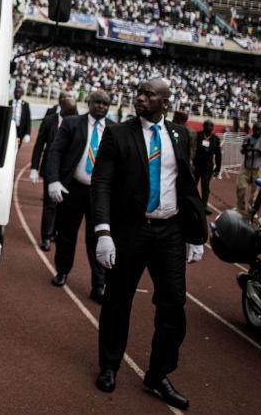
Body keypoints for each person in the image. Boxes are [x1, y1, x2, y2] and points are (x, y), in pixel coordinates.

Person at [91, 78, 208, 410]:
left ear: (165, 102)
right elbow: (101, 183)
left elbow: (186, 185)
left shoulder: (180, 135)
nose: (139, 98)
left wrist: (196, 234)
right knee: (118, 301)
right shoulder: (118, 133)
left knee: (173, 304)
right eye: (139, 93)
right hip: (131, 230)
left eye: (148, 94)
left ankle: (158, 373)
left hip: (169, 231)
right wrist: (103, 232)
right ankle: (109, 365)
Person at [45, 90, 114, 302]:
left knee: (98, 239)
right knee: (67, 234)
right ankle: (63, 271)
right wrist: (54, 180)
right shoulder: (72, 123)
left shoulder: (114, 129)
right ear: (89, 102)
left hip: (99, 194)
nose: (101, 106)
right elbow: (55, 152)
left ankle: (99, 284)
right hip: (73, 188)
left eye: (105, 103)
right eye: (97, 102)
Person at [30, 91, 78, 251]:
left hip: (69, 173)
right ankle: (46, 237)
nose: (71, 113)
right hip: (50, 169)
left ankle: (56, 233)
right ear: (61, 107)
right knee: (50, 205)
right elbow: (39, 144)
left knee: (63, 206)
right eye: (68, 109)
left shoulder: (76, 123)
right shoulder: (50, 120)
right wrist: (34, 168)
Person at [238, 122, 261, 213]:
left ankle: (251, 208)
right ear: (252, 129)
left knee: (255, 191)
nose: (256, 132)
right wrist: (245, 149)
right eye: (255, 130)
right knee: (240, 187)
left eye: (258, 130)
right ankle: (240, 206)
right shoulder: (248, 137)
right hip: (246, 167)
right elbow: (242, 150)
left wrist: (258, 150)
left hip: (258, 168)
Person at [194, 120, 222, 215]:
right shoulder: (197, 135)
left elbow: (218, 155)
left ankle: (203, 206)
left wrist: (218, 168)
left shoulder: (215, 139)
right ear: (203, 126)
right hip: (196, 165)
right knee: (193, 185)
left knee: (205, 187)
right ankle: (191, 204)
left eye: (211, 126)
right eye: (207, 125)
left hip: (208, 167)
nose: (209, 128)